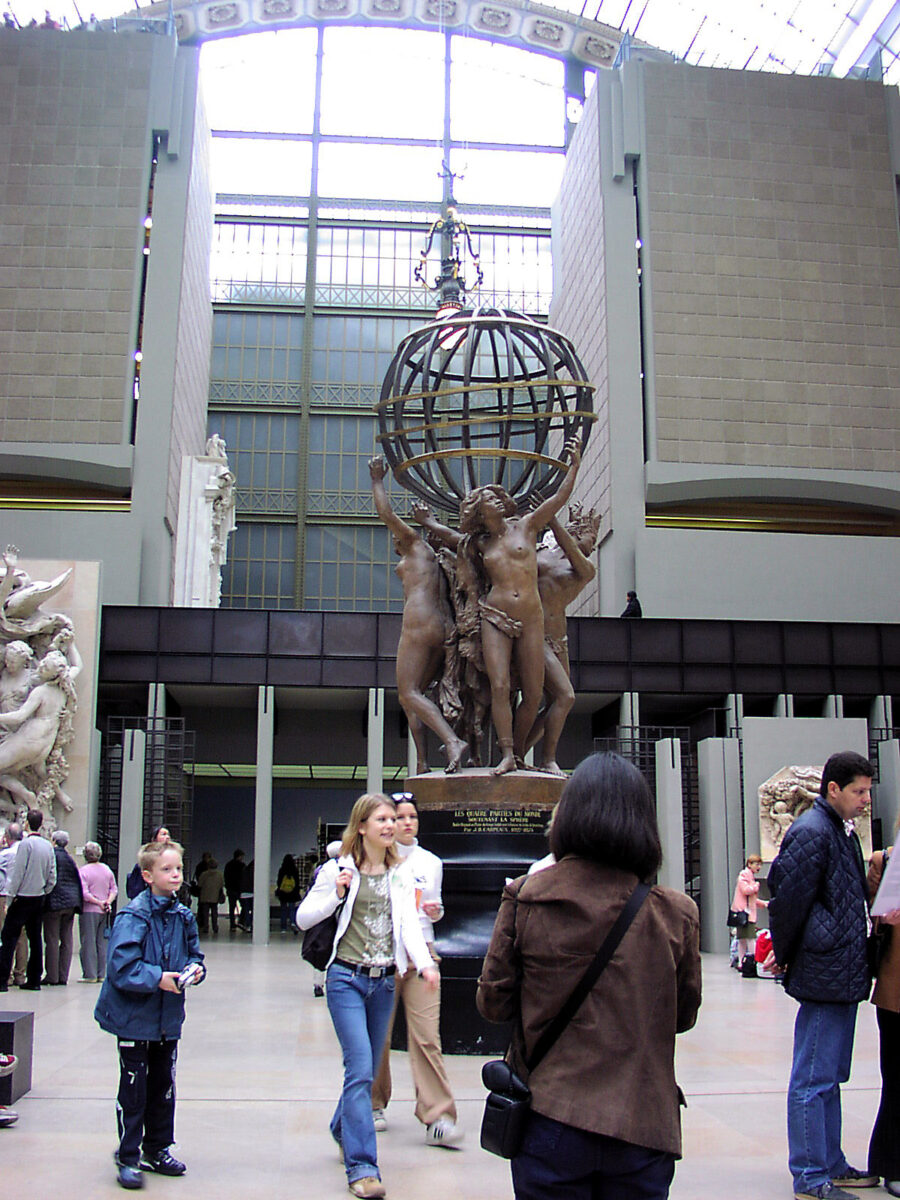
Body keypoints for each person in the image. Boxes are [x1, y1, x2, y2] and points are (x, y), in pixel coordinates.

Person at [477, 751, 701, 1200]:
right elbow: (682, 1015)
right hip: (642, 1122)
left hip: (550, 1115)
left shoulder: (525, 898)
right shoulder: (675, 913)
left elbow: (493, 1004)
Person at [296, 793, 439, 1200]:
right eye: (381, 819)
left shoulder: (400, 871)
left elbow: (409, 923)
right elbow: (303, 917)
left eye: (393, 819)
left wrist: (423, 963)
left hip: (384, 982)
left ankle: (342, 1124)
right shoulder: (337, 869)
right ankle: (362, 1167)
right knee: (359, 1068)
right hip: (346, 979)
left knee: (369, 1068)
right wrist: (335, 895)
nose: (390, 825)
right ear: (361, 826)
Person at [418, 437, 582, 775]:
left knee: (534, 693)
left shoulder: (528, 526)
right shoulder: (478, 543)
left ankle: (521, 753)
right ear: (480, 510)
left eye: (496, 496)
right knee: (501, 687)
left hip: (531, 618)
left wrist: (575, 466)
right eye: (489, 498)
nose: (497, 499)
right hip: (495, 616)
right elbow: (452, 539)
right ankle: (507, 754)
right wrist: (427, 523)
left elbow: (558, 499)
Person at [768, 750, 878, 1200]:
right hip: (825, 969)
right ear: (833, 789)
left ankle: (831, 1162)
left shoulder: (839, 831)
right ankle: (811, 1174)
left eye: (868, 791)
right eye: (858, 791)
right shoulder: (813, 831)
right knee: (813, 1078)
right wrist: (790, 952)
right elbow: (788, 900)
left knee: (830, 1075)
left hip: (842, 970)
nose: (865, 800)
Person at [93, 838, 205, 1190]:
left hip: (166, 1020)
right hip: (133, 1018)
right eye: (167, 870)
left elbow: (193, 954)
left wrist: (194, 971)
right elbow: (122, 968)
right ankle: (129, 1154)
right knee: (134, 1088)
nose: (175, 876)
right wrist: (158, 978)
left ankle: (158, 1147)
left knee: (163, 1086)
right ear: (147, 875)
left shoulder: (182, 915)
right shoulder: (133, 916)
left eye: (179, 869)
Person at [371, 793, 463, 1148]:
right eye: (399, 816)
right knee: (379, 1034)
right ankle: (374, 1102)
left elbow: (428, 910)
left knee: (426, 1036)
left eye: (412, 817)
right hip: (383, 954)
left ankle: (438, 1113)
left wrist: (435, 914)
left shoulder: (432, 862)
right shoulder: (379, 859)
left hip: (422, 953)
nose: (406, 823)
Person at [369, 455, 467, 774]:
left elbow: (386, 513)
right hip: (443, 627)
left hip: (420, 623)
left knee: (408, 693)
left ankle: (452, 741)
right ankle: (423, 763)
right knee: (413, 696)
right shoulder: (435, 559)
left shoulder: (415, 545)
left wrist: (377, 479)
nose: (395, 539)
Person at [526, 506, 600, 775]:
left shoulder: (585, 568)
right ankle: (544, 758)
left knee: (559, 699)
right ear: (578, 534)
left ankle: (523, 753)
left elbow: (573, 553)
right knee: (565, 696)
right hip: (534, 634)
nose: (594, 545)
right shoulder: (539, 554)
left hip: (560, 640)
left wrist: (553, 519)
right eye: (592, 538)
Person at [865, 828, 900, 1195]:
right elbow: (873, 918)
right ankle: (890, 1163)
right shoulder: (884, 861)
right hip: (895, 991)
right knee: (896, 1080)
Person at [0, 807, 56, 991]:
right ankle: (33, 979)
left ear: (26, 823)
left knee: (9, 937)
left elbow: (18, 873)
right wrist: (44, 890)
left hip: (22, 897)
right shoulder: (48, 845)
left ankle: (2, 979)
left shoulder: (25, 845)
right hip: (38, 896)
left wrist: (10, 897)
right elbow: (52, 875)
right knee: (35, 938)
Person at [42, 829, 81, 985]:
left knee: (51, 938)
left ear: (54, 840)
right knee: (66, 939)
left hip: (55, 902)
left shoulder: (53, 856)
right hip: (70, 903)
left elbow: (50, 877)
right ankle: (62, 975)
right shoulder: (70, 859)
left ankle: (52, 975)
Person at [79, 840, 117, 983]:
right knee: (102, 942)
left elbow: (84, 893)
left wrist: (97, 902)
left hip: (89, 910)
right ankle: (102, 973)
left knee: (88, 941)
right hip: (105, 910)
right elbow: (114, 889)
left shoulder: (83, 871)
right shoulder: (107, 870)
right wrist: (107, 901)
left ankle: (90, 974)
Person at [730, 853, 768, 978]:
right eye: (757, 864)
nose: (759, 867)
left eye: (760, 864)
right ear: (749, 864)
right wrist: (756, 886)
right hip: (745, 913)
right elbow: (747, 891)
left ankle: (743, 962)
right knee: (750, 938)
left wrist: (764, 904)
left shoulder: (748, 877)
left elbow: (752, 899)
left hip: (743, 912)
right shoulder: (745, 876)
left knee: (742, 940)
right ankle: (753, 961)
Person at [0, 822, 27, 986]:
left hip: (4, 895)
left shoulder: (5, 855)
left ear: (8, 837)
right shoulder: (27, 853)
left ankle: (6, 974)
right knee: (22, 937)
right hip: (24, 895)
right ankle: (20, 974)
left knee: (4, 934)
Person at [125, 826, 171, 900]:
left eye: (168, 834)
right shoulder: (146, 858)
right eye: (163, 834)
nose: (167, 837)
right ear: (154, 839)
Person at [196, 857, 224, 935]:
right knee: (214, 913)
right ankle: (215, 927)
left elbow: (200, 884)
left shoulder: (204, 874)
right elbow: (221, 885)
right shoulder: (220, 875)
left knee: (205, 913)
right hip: (215, 896)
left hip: (205, 895)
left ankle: (206, 927)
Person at [275, 853, 300, 934]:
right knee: (292, 908)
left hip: (283, 892)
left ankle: (283, 927)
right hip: (292, 892)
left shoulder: (282, 869)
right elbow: (297, 881)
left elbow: (279, 881)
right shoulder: (294, 869)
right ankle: (292, 923)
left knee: (283, 909)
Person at [223, 848, 245, 931]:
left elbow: (226, 876)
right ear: (240, 856)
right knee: (244, 906)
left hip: (231, 889)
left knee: (231, 908)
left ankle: (232, 925)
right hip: (239, 889)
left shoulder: (228, 865)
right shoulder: (242, 866)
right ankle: (241, 921)